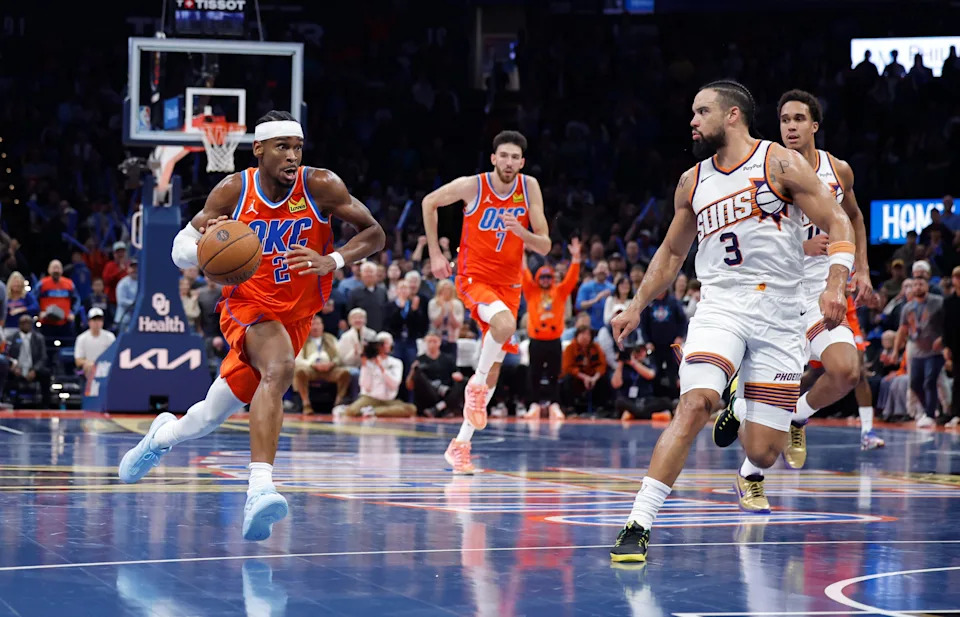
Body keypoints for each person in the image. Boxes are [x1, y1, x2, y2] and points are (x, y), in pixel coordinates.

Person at [607, 80, 855, 563]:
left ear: (733, 115)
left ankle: (740, 405)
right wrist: (636, 303)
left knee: (763, 452)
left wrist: (834, 282)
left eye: (701, 112)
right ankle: (638, 523)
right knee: (696, 403)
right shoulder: (691, 180)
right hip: (721, 304)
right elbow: (674, 251)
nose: (693, 121)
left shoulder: (779, 162)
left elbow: (839, 222)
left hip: (782, 309)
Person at [117, 110, 385, 541]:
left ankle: (159, 437)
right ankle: (259, 489)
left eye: (297, 147)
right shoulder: (232, 191)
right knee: (279, 370)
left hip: (297, 315)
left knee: (206, 417)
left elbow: (375, 233)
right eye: (282, 147)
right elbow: (179, 247)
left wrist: (332, 260)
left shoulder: (321, 185)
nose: (292, 156)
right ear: (258, 149)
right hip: (247, 306)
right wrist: (205, 246)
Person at [713, 89, 880, 488]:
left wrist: (863, 272)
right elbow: (746, 234)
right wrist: (800, 245)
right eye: (785, 120)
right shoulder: (768, 168)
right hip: (777, 293)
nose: (790, 126)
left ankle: (798, 416)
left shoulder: (838, 170)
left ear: (814, 125)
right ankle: (750, 471)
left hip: (821, 289)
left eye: (799, 119)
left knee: (846, 370)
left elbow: (853, 218)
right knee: (762, 419)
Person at [422, 130, 550, 474]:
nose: (509, 162)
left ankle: (460, 445)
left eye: (515, 157)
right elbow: (429, 202)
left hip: (510, 285)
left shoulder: (529, 187)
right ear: (493, 158)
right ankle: (474, 385)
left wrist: (520, 231)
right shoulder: (473, 185)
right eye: (503, 155)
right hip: (473, 278)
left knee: (495, 365)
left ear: (522, 162)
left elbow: (545, 245)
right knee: (504, 327)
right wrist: (436, 253)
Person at [522, 237, 581, 419]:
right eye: (543, 277)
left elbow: (572, 278)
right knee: (534, 373)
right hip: (536, 340)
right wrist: (522, 253)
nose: (546, 280)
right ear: (538, 278)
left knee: (555, 374)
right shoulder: (531, 291)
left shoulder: (560, 291)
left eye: (549, 277)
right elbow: (523, 272)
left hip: (554, 341)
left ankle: (555, 404)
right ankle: (533, 404)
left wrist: (576, 258)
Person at [892, 276, 945, 428]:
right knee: (915, 384)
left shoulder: (938, 302)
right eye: (915, 285)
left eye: (921, 284)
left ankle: (930, 413)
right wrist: (895, 350)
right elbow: (902, 330)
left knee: (930, 381)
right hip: (917, 350)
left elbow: (948, 323)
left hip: (935, 350)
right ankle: (929, 410)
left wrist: (944, 339)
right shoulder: (908, 307)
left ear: (927, 286)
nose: (917, 287)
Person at [341, 332, 416, 417]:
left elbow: (395, 384)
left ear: (391, 345)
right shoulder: (369, 362)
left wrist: (382, 368)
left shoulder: (396, 363)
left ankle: (373, 411)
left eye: (386, 343)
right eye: (381, 344)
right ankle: (367, 410)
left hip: (389, 401)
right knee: (352, 411)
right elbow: (365, 386)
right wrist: (365, 366)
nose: (383, 347)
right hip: (370, 398)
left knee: (411, 409)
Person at [293, 314, 351, 414]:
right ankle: (306, 404)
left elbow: (339, 356)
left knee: (345, 373)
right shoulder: (302, 338)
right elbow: (298, 359)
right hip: (311, 369)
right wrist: (312, 365)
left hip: (329, 369)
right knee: (300, 372)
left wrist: (332, 364)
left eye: (318, 324)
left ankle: (338, 403)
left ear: (322, 325)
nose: (315, 327)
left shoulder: (331, 338)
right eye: (313, 324)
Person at [406, 330, 464, 417]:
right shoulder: (419, 360)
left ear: (439, 342)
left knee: (463, 381)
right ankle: (441, 407)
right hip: (429, 393)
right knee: (418, 374)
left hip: (445, 393)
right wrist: (412, 371)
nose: (432, 344)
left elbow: (457, 375)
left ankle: (439, 407)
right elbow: (409, 386)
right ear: (425, 343)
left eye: (435, 341)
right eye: (429, 341)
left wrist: (458, 376)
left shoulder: (448, 359)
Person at [74, 307, 116, 386]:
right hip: (89, 368)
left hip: (106, 367)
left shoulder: (110, 337)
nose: (97, 323)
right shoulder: (81, 338)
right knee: (89, 367)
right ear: (89, 322)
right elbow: (78, 361)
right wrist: (92, 363)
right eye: (94, 320)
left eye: (99, 320)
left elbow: (114, 355)